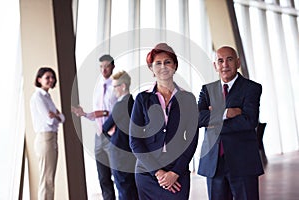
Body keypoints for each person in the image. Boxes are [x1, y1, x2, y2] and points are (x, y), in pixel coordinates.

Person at [129, 43, 199, 200]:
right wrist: (158, 172)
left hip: (178, 171)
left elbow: (192, 139)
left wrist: (175, 173)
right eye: (158, 63)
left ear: (175, 66)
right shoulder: (142, 99)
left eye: (167, 62)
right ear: (151, 69)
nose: (163, 67)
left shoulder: (188, 99)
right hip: (148, 173)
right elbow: (134, 141)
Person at [197, 46, 264, 200]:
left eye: (229, 59)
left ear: (238, 62)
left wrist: (213, 120)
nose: (225, 64)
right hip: (213, 164)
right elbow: (199, 119)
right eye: (220, 61)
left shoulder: (251, 88)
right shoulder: (207, 90)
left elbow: (249, 122)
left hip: (243, 163)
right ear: (215, 66)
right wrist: (226, 113)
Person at [72, 55, 117, 200]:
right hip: (99, 136)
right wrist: (84, 114)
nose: (104, 69)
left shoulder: (117, 86)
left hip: (113, 135)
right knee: (103, 176)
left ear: (113, 67)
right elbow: (96, 113)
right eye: (101, 67)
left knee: (119, 175)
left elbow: (119, 112)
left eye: (107, 66)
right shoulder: (98, 88)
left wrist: (101, 113)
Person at [102, 70, 139, 200]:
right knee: (132, 189)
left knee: (123, 190)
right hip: (132, 153)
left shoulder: (120, 105)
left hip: (119, 155)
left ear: (123, 86)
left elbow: (105, 128)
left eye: (115, 86)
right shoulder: (135, 103)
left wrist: (113, 138)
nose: (114, 90)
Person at [30, 67, 65, 200]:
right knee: (47, 179)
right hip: (45, 139)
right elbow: (50, 120)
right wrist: (56, 116)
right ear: (39, 80)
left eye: (52, 77)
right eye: (47, 77)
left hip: (52, 138)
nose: (51, 80)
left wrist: (56, 116)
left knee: (49, 178)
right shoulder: (38, 97)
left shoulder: (47, 96)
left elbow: (62, 118)